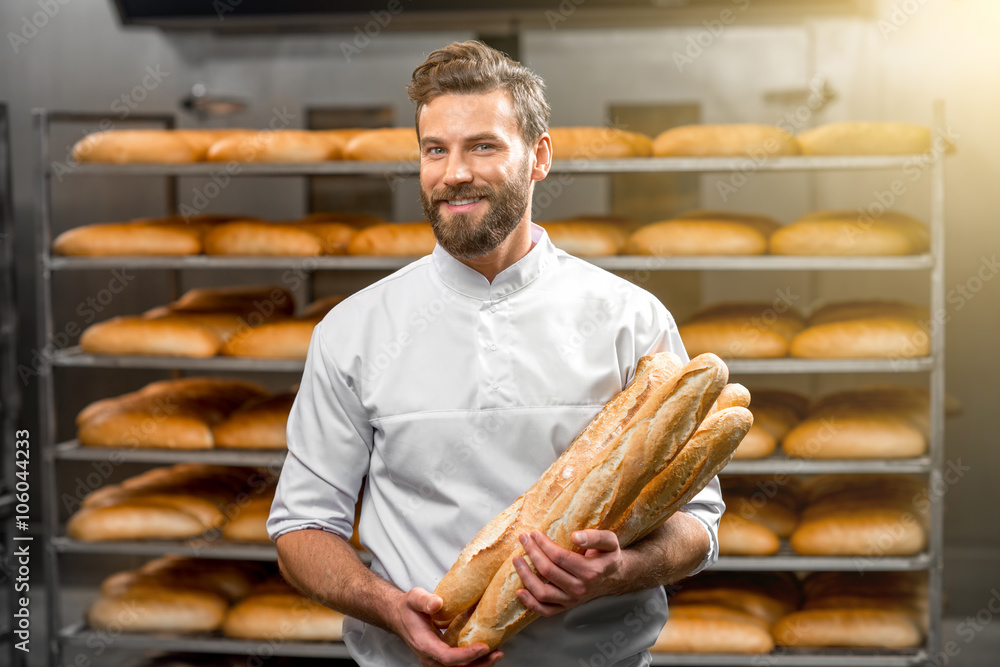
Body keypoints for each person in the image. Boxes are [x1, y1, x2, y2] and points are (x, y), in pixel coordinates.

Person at [268, 40, 724, 667]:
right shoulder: (354, 330)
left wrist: (620, 569)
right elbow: (302, 527)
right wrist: (386, 606)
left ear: (538, 157)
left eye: (482, 145)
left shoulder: (630, 319)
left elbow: (698, 521)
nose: (454, 172)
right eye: (436, 150)